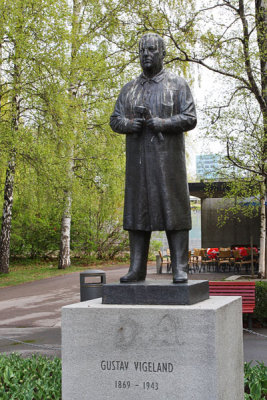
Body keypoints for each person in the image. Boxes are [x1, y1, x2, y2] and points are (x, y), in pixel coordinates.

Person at [110, 33, 197, 283]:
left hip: (169, 163)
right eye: (142, 51)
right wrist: (130, 124)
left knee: (175, 212)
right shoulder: (129, 89)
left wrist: (162, 123)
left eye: (151, 50)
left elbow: (190, 118)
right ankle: (137, 268)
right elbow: (115, 119)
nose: (146, 54)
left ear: (162, 53)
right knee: (136, 213)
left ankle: (180, 268)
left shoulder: (177, 84)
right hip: (138, 164)